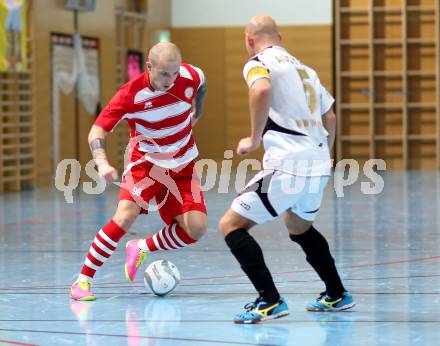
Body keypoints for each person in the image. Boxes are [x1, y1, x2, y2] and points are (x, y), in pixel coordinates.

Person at [219, 15, 355, 324]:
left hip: (287, 164)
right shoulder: (306, 69)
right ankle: (337, 294)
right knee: (297, 224)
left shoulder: (258, 62)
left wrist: (254, 139)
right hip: (317, 161)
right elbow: (329, 119)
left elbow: (261, 90)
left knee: (231, 225)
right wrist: (323, 157)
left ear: (249, 40)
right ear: (279, 37)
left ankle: (270, 300)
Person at [70, 42, 208, 301]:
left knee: (196, 229)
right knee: (124, 217)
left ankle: (142, 247)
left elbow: (201, 84)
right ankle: (82, 281)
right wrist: (102, 163)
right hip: (146, 163)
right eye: (164, 73)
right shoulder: (130, 94)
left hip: (183, 164)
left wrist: (196, 114)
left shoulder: (190, 75)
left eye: (175, 73)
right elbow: (97, 130)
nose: (171, 80)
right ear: (149, 67)